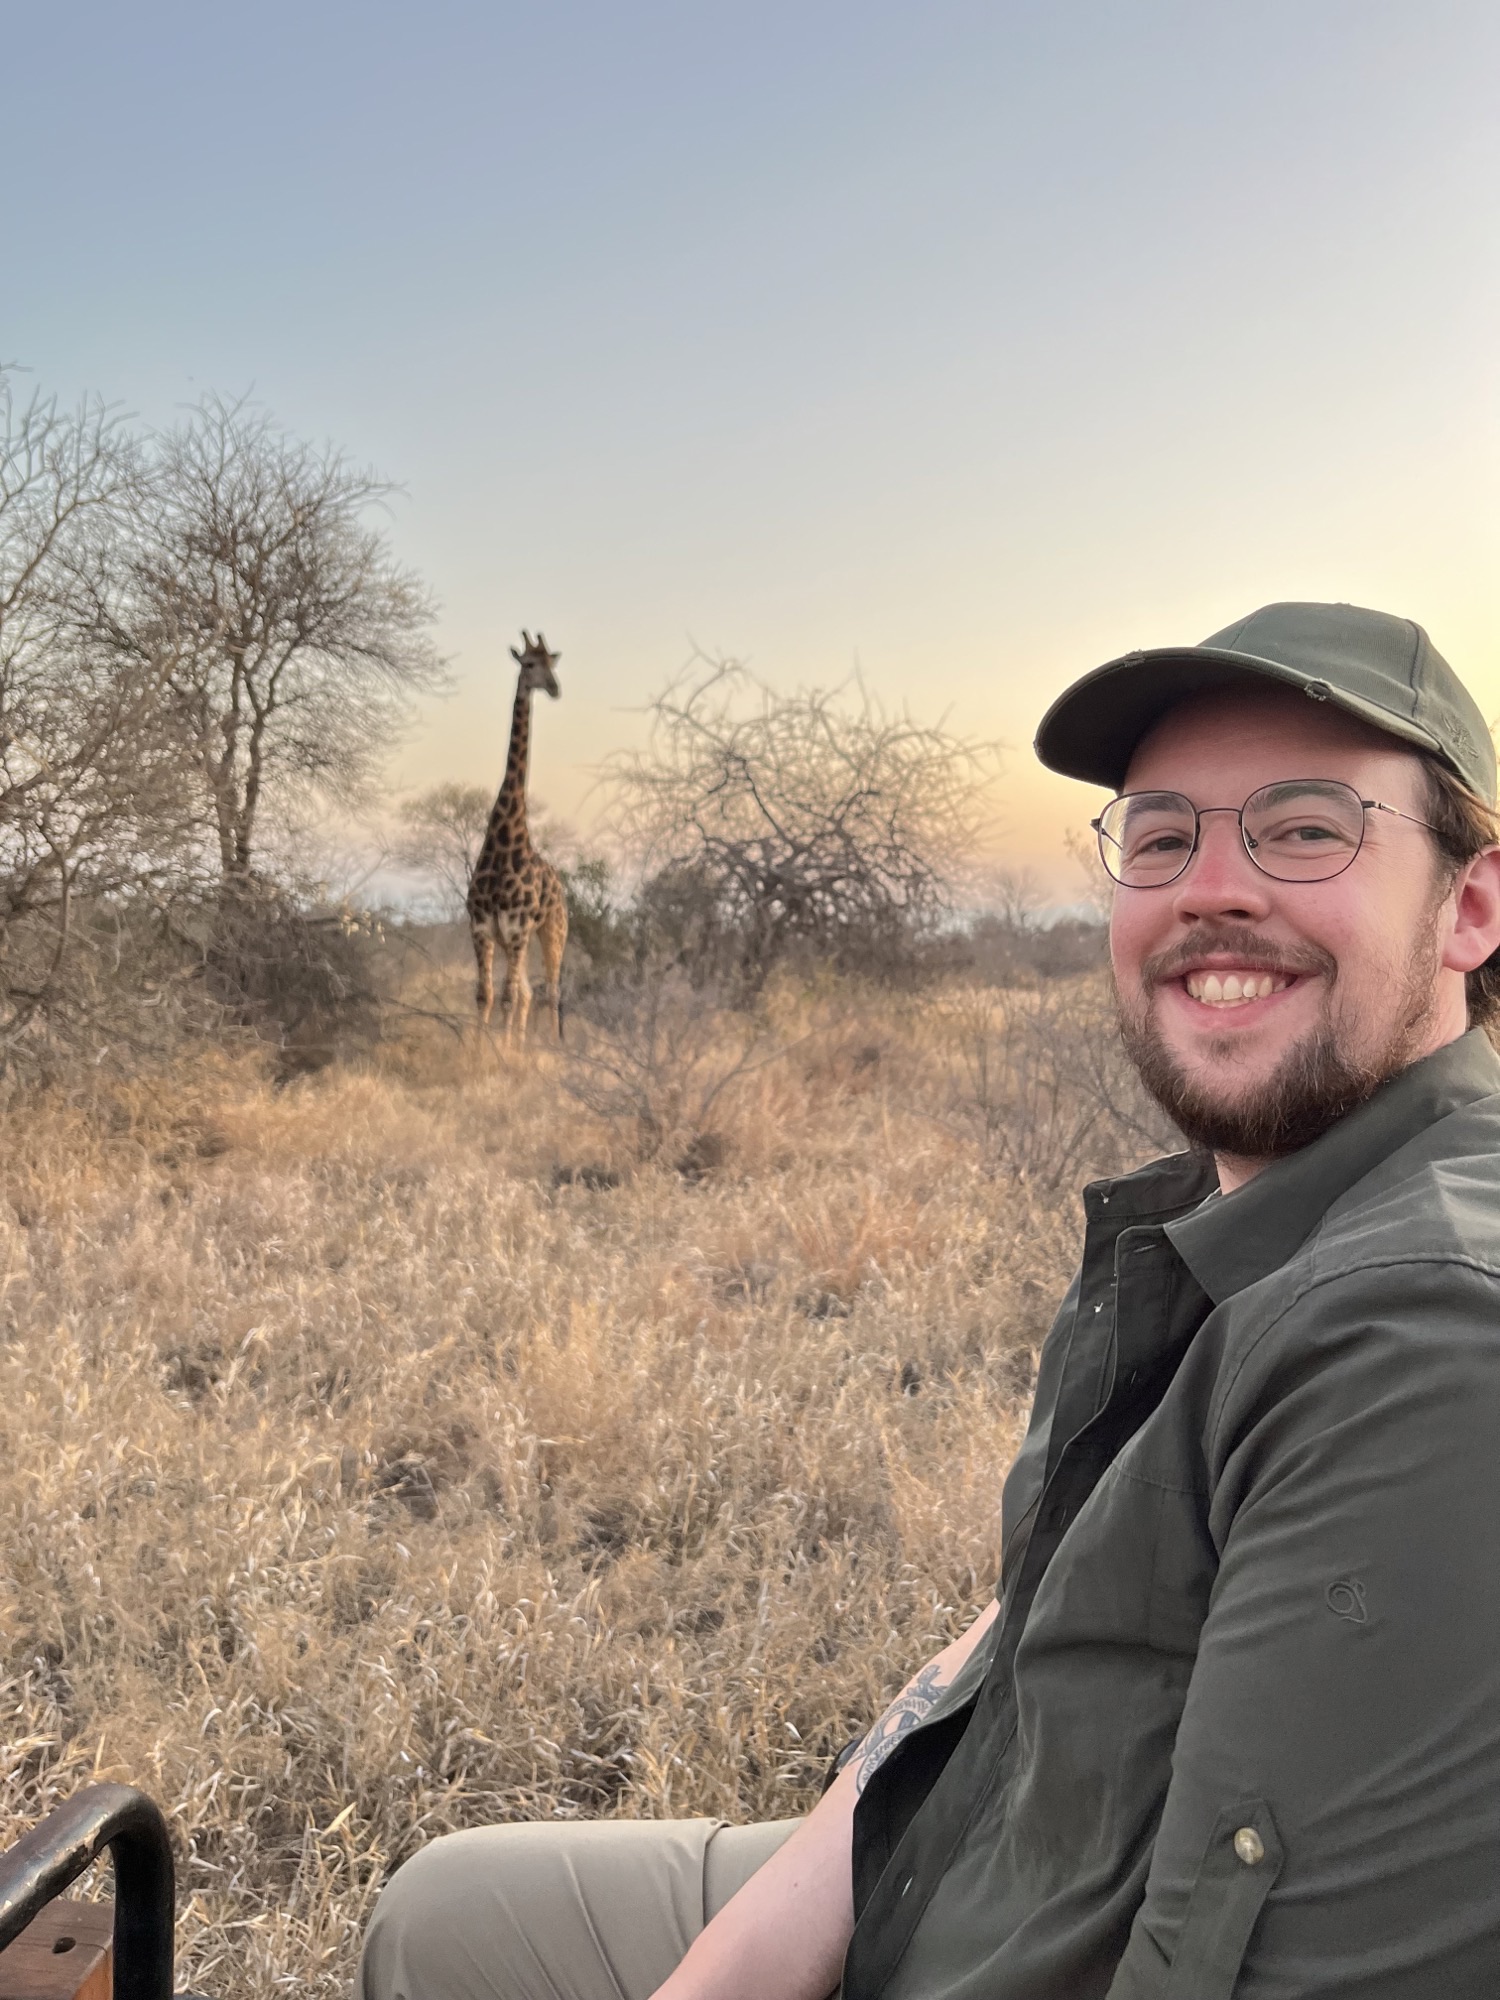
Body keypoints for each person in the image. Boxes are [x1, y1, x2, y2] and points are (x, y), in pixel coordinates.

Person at [359, 601, 1500, 2000]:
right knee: (445, 1908)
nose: (1214, 887)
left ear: (1472, 905)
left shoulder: (1424, 1337)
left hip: (1002, 1942)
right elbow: (1016, 1643)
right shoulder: (1254, 1211)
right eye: (1161, 835)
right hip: (967, 1862)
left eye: (1306, 827)